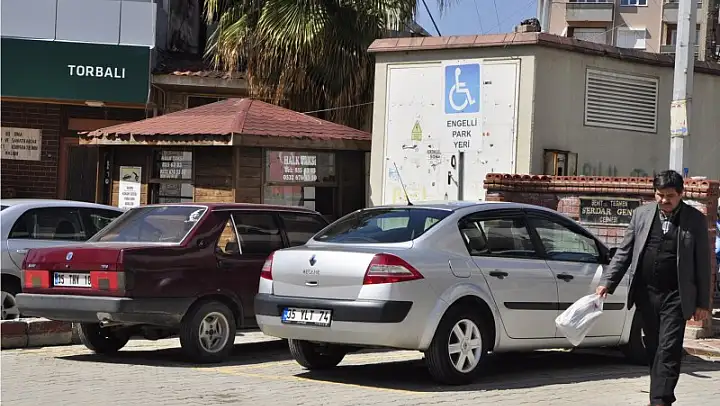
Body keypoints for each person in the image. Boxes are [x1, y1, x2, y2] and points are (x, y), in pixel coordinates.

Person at [595, 170, 712, 406]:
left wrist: (702, 303)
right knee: (654, 347)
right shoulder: (641, 215)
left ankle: (659, 401)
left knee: (669, 347)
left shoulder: (695, 220)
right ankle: (659, 396)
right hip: (646, 293)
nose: (664, 200)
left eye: (670, 196)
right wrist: (607, 282)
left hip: (676, 295)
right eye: (660, 195)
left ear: (681, 194)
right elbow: (625, 252)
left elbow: (703, 263)